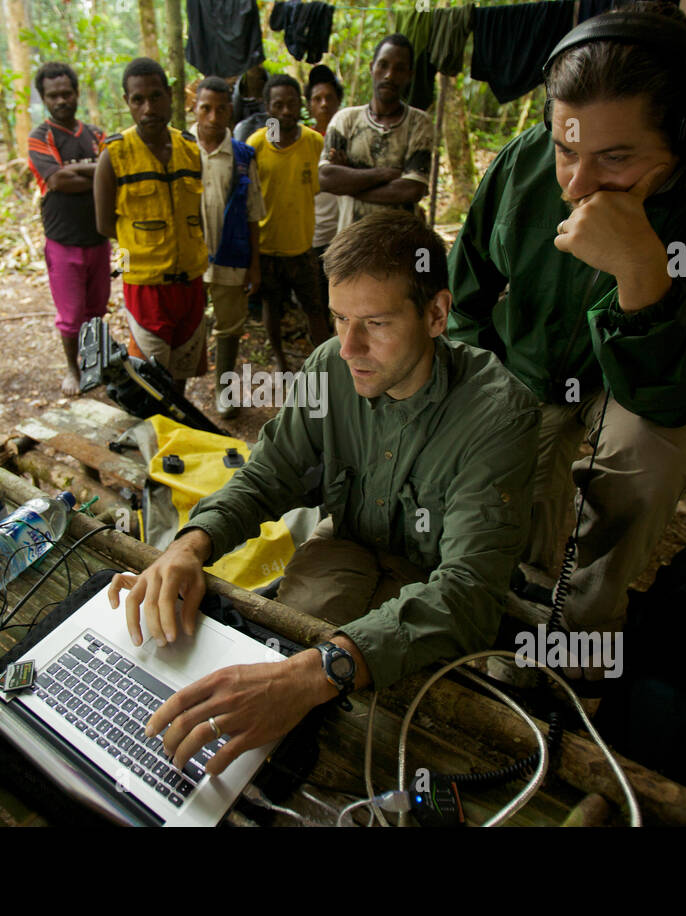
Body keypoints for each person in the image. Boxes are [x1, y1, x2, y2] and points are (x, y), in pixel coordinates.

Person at [446, 5, 686, 684]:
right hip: (534, 361)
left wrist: (643, 277)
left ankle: (581, 637)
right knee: (500, 473)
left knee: (645, 457)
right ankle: (509, 611)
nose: (577, 186)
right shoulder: (525, 164)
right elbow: (464, 295)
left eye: (616, 159)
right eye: (566, 148)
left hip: (648, 383)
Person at [107, 210, 541, 776]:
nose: (348, 347)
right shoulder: (328, 370)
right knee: (287, 639)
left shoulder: (498, 414)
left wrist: (317, 674)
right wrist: (189, 545)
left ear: (436, 314)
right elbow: (269, 474)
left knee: (394, 716)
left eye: (376, 324)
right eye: (339, 319)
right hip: (350, 538)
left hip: (439, 575)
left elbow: (467, 592)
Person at [94, 58, 209, 392]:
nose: (148, 107)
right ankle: (155, 434)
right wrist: (146, 246)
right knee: (151, 376)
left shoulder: (190, 148)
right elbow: (105, 224)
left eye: (156, 96)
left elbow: (198, 215)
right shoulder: (114, 155)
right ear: (127, 103)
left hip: (190, 280)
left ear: (170, 97)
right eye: (137, 100)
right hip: (147, 286)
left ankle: (180, 433)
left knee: (182, 369)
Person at [27, 62, 111, 396]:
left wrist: (80, 172)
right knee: (71, 314)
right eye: (53, 95)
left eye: (66, 93)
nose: (61, 100)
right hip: (63, 242)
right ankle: (72, 371)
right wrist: (96, 170)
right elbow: (58, 180)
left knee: (96, 309)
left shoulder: (95, 134)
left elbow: (112, 172)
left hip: (98, 238)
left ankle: (94, 365)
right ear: (44, 99)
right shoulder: (40, 137)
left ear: (76, 93)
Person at [245, 74, 331, 371]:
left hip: (301, 246)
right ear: (267, 107)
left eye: (291, 104)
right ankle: (280, 361)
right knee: (272, 307)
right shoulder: (255, 145)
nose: (285, 111)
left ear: (300, 105)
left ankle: (325, 363)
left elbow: (323, 184)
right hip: (268, 247)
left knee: (315, 308)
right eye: (278, 105)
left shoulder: (314, 142)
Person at [192, 76, 265, 418]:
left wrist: (255, 263)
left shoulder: (241, 155)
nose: (212, 116)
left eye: (221, 109)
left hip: (231, 254)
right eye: (205, 108)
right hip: (187, 256)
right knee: (187, 321)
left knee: (229, 324)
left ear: (230, 112)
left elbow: (252, 212)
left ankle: (225, 387)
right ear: (195, 107)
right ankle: (180, 384)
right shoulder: (179, 148)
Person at [318, 35, 434, 229]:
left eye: (399, 68)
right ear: (372, 68)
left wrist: (350, 182)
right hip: (351, 244)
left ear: (409, 75)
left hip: (399, 244)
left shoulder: (418, 123)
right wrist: (387, 174)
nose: (389, 75)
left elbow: (411, 190)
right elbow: (326, 179)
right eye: (383, 65)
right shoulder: (346, 120)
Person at [306, 64, 344, 326]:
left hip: (344, 229)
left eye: (329, 98)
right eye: (317, 99)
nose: (323, 104)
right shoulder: (303, 140)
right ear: (309, 105)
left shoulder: (350, 134)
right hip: (315, 231)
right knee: (319, 297)